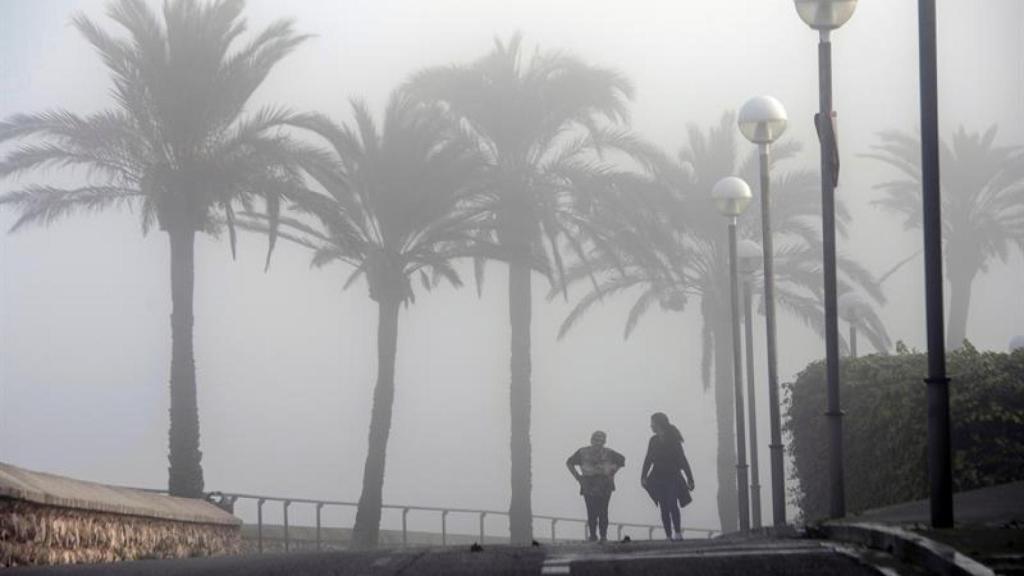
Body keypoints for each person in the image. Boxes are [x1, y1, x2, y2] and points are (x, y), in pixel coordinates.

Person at [641, 412, 695, 541]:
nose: (651, 426)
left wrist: (690, 478)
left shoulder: (673, 439)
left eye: (652, 423)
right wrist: (643, 476)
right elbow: (648, 459)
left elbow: (682, 459)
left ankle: (677, 532)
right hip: (657, 477)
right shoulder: (653, 440)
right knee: (664, 506)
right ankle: (668, 535)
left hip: (673, 477)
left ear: (659, 424)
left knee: (672, 503)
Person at [566, 430, 626, 542]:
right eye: (596, 439)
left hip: (605, 483)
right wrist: (578, 478)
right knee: (591, 511)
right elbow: (569, 463)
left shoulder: (609, 452)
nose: (598, 442)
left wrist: (613, 472)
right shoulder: (582, 452)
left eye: (601, 440)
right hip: (588, 483)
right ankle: (593, 535)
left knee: (603, 510)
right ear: (591, 440)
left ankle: (603, 536)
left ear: (604, 441)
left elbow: (622, 460)